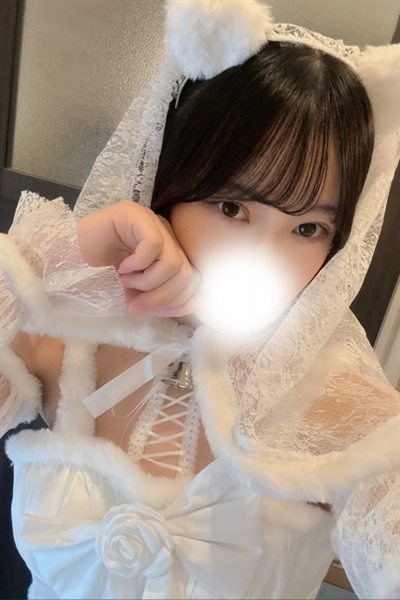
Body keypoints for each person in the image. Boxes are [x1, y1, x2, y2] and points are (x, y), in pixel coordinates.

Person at [1, 1, 399, 598]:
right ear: (168, 184)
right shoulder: (65, 333)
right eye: (232, 206)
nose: (266, 259)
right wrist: (62, 254)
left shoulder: (344, 410)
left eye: (308, 228)